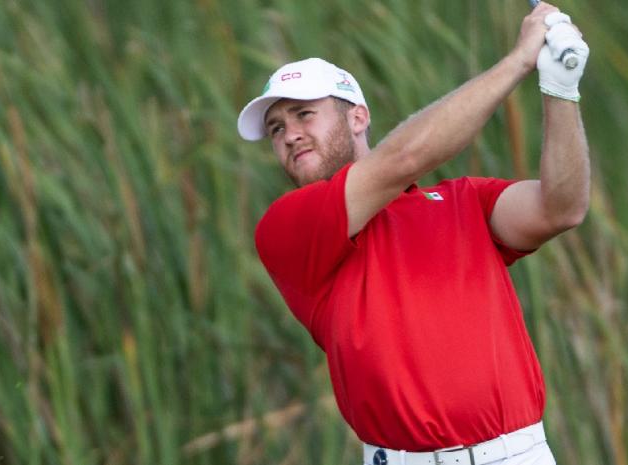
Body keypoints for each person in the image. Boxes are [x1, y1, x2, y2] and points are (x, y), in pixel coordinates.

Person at [237, 3, 589, 464]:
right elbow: (403, 159)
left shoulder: (464, 201)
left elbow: (561, 207)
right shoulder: (288, 228)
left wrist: (559, 88)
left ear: (357, 117)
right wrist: (519, 60)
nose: (288, 135)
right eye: (276, 128)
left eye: (304, 114)